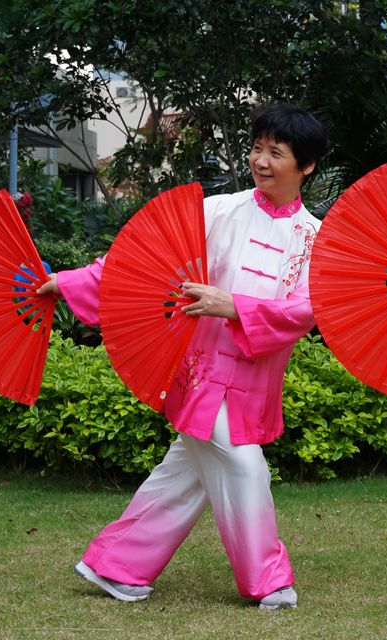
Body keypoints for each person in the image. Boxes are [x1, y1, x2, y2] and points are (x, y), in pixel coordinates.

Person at [36, 104, 329, 610]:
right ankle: (268, 580)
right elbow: (142, 259)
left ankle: (116, 566)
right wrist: (68, 282)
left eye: (275, 153)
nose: (260, 161)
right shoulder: (218, 211)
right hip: (201, 369)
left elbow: (307, 309)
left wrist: (231, 304)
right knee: (243, 465)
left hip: (255, 376)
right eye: (257, 148)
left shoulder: (315, 239)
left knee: (185, 476)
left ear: (306, 167)